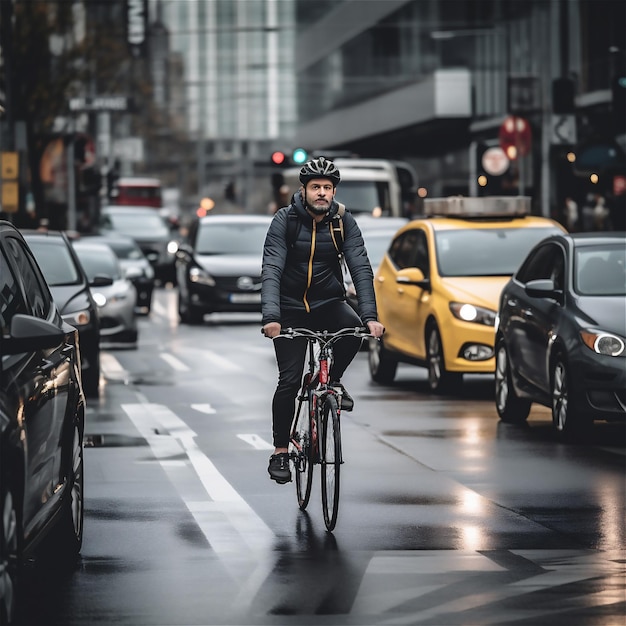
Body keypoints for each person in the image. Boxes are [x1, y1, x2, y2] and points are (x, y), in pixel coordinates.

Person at [261, 156, 385, 484]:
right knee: (289, 380)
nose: (322, 193)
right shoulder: (284, 221)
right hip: (289, 308)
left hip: (329, 302)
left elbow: (360, 267)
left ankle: (334, 381)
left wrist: (370, 317)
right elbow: (272, 268)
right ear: (303, 190)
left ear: (333, 192)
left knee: (353, 331)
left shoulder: (344, 222)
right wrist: (272, 317)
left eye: (327, 188)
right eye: (315, 187)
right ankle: (280, 451)